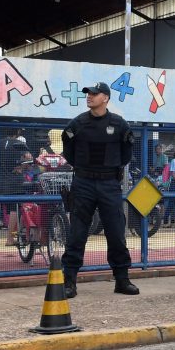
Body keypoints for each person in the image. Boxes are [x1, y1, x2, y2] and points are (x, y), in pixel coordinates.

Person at [60, 82, 139, 298]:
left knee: (115, 232)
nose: (90, 97)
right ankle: (69, 282)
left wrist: (110, 170)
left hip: (109, 184)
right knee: (77, 232)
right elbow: (68, 149)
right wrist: (83, 167)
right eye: (88, 94)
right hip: (83, 182)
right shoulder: (78, 123)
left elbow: (126, 153)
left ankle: (122, 280)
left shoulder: (119, 124)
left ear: (105, 98)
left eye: (94, 94)